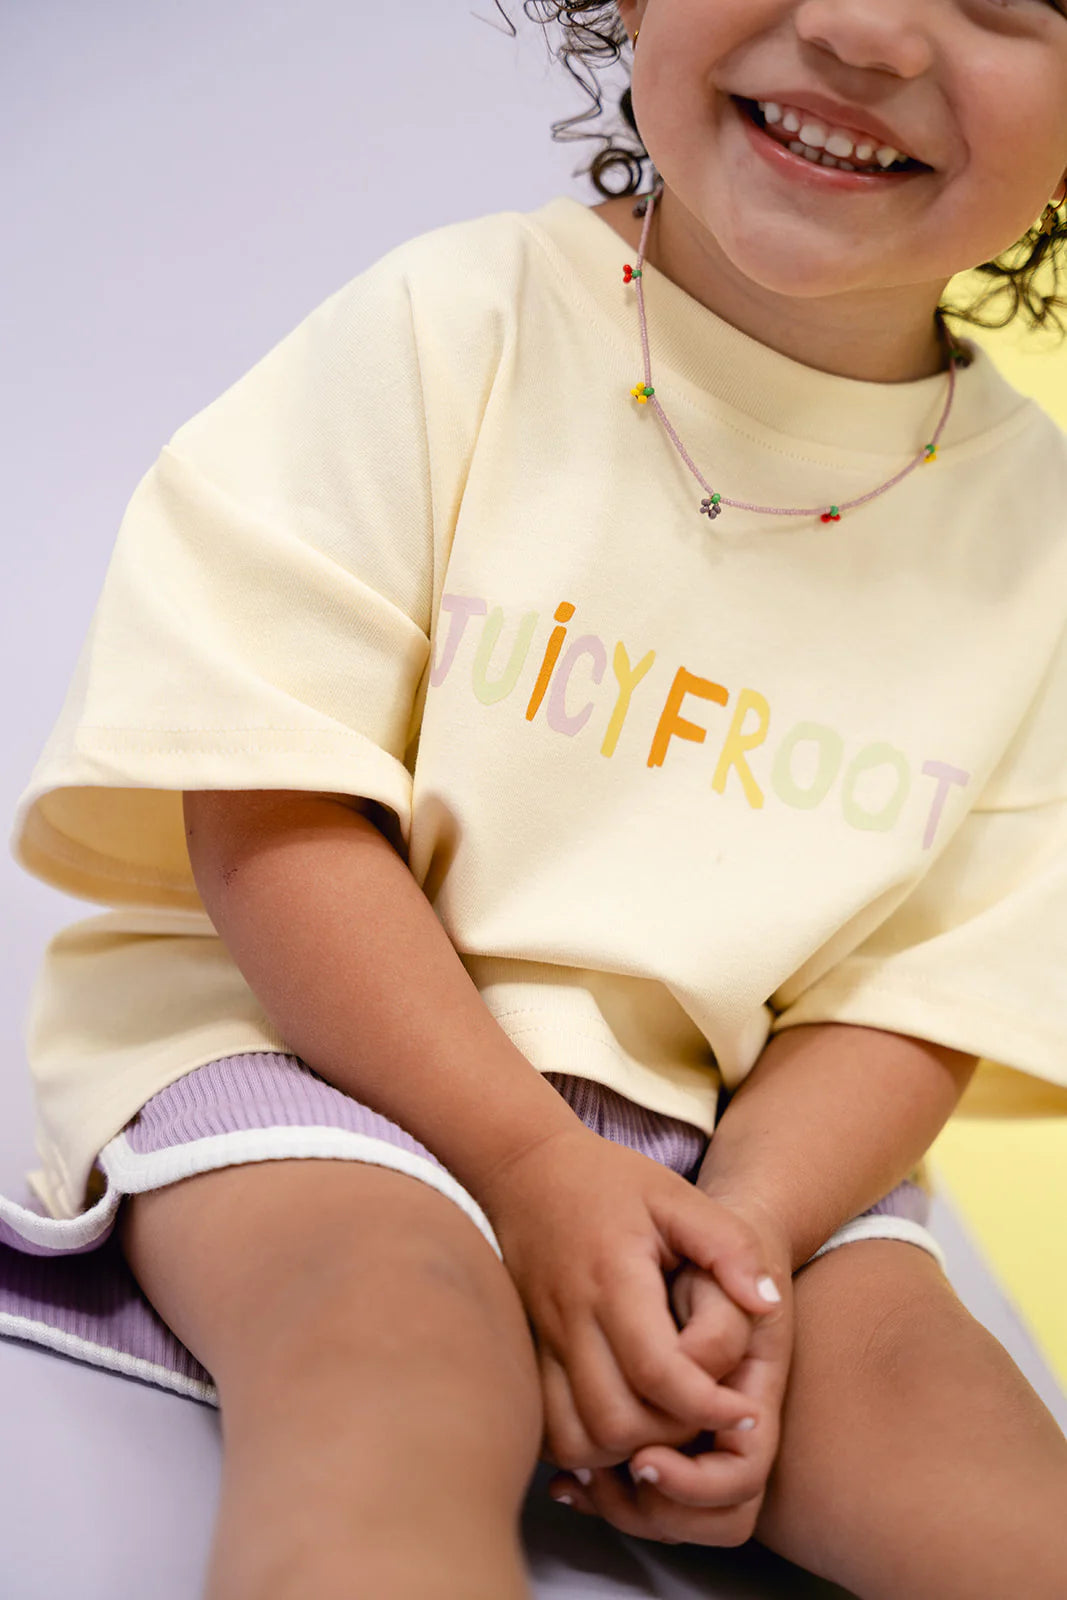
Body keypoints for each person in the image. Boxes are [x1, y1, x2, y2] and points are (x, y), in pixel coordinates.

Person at [3, 0, 1067, 1594]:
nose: (864, 28)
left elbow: (913, 999)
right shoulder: (457, 324)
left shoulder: (1038, 537)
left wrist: (749, 1246)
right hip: (319, 1051)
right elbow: (272, 809)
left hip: (747, 1150)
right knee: (393, 1356)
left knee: (988, 1484)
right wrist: (528, 1167)